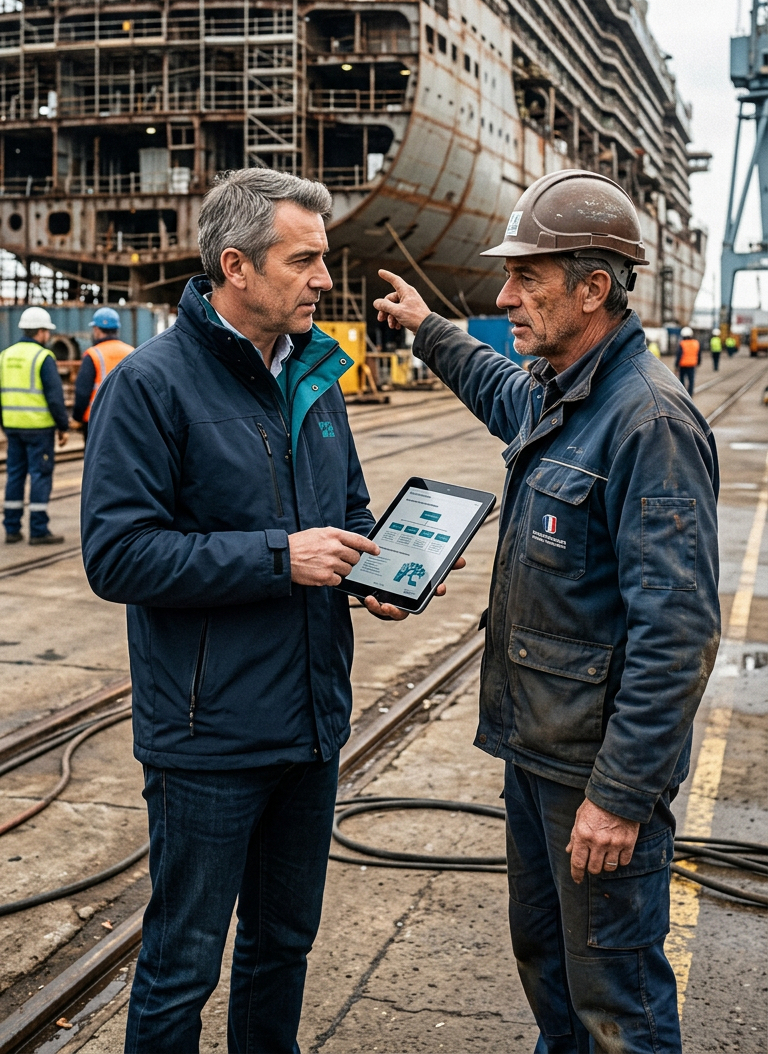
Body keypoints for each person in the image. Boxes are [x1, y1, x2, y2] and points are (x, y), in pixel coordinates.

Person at [81, 168, 461, 1054]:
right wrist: (278, 557)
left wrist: (379, 569)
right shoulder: (151, 385)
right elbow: (116, 554)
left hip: (312, 722)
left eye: (323, 259)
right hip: (208, 734)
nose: (326, 279)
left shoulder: (316, 378)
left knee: (283, 945)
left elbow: (352, 509)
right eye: (306, 260)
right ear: (236, 267)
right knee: (182, 964)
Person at [374, 168, 720, 1054]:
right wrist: (427, 328)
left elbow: (677, 633)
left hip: (592, 777)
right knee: (551, 969)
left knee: (617, 1000)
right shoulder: (567, 393)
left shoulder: (647, 421)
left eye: (527, 277)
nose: (506, 295)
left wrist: (621, 795)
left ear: (593, 287)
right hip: (536, 752)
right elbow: (498, 387)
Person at [0, 307, 69, 545]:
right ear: (40, 332)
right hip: (39, 429)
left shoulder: (5, 355)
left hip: (12, 426)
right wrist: (63, 426)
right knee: (40, 474)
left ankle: (11, 528)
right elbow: (54, 397)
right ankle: (38, 529)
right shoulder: (43, 357)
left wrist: (5, 423)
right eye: (47, 332)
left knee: (15, 475)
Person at [72, 307, 133, 445]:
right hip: (126, 418)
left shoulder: (93, 355)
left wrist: (77, 417)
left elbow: (82, 391)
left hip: (96, 420)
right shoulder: (131, 352)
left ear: (97, 330)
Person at [675, 325, 700, 395]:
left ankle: (683, 394)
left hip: (683, 365)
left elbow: (679, 355)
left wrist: (676, 365)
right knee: (691, 381)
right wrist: (698, 362)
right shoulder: (696, 343)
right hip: (692, 365)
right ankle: (690, 394)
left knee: (682, 380)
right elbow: (698, 354)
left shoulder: (682, 343)